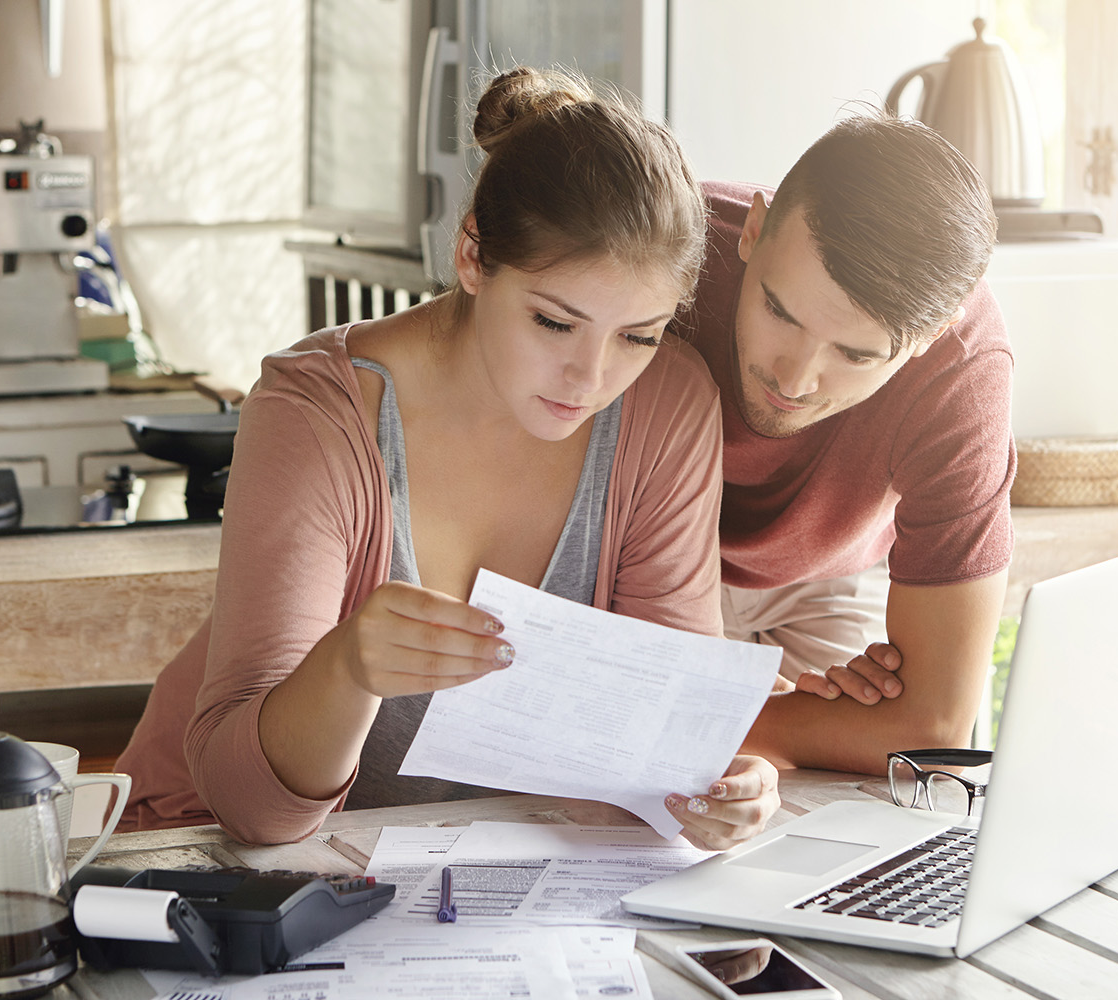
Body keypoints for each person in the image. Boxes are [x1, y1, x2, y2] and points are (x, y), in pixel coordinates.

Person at [114, 68, 779, 850]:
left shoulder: (668, 404)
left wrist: (717, 786)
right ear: (471, 256)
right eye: (554, 322)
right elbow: (252, 813)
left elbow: (653, 745)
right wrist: (346, 670)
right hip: (211, 860)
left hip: (467, 880)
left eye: (638, 335)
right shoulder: (316, 412)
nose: (591, 378)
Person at [671, 113, 1015, 775]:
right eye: (779, 310)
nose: (794, 379)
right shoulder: (668, 245)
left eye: (855, 354)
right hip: (650, 563)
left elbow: (934, 732)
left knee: (867, 807)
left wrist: (705, 714)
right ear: (753, 229)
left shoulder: (963, 368)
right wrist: (780, 720)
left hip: (827, 578)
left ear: (928, 336)